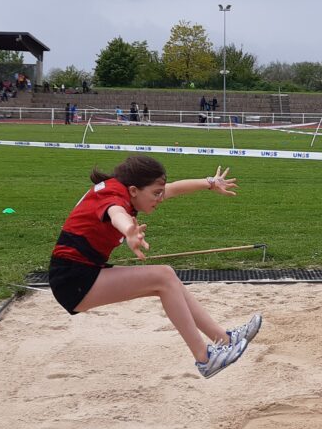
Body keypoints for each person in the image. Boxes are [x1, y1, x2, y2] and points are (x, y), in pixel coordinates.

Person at [48, 156, 261, 378]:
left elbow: (173, 189)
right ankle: (205, 359)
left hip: (83, 272)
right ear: (133, 190)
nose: (160, 198)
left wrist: (209, 182)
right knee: (163, 277)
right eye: (156, 193)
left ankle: (224, 340)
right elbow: (115, 213)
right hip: (72, 280)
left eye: (160, 193)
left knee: (166, 278)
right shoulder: (112, 197)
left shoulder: (124, 190)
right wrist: (128, 231)